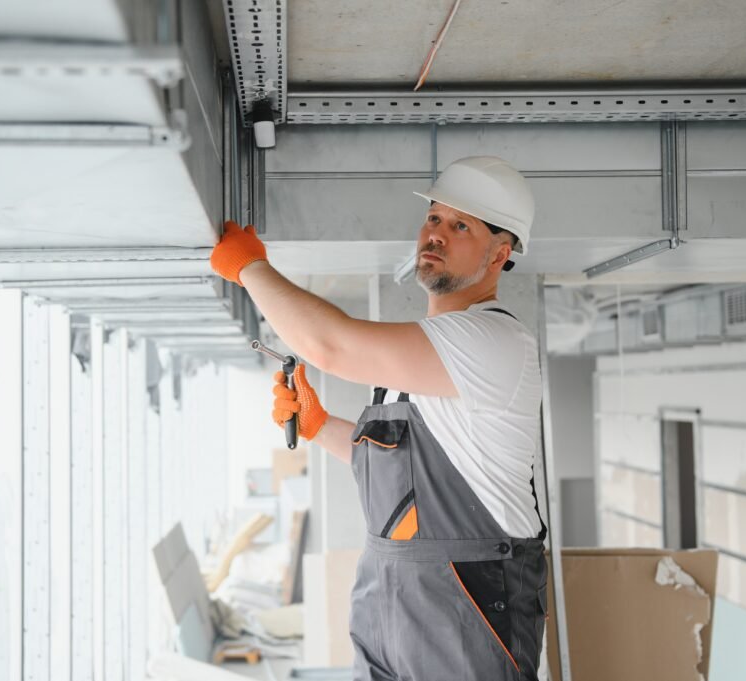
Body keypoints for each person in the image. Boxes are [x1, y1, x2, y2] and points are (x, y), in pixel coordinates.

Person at [210, 156, 548, 680]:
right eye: (433, 218)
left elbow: (331, 345)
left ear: (500, 254)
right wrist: (320, 426)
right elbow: (402, 475)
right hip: (389, 593)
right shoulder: (425, 358)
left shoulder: (494, 342)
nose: (436, 234)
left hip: (468, 603)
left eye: (461, 226)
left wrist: (250, 269)